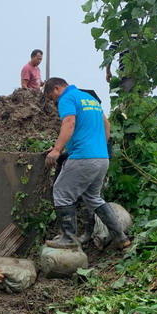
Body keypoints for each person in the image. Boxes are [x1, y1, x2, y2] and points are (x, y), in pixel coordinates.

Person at [43, 77, 130, 250]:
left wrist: (56, 149)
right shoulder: (89, 99)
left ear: (56, 89)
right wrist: (99, 148)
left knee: (61, 191)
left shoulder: (67, 98)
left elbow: (69, 122)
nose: (54, 102)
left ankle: (68, 238)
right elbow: (107, 125)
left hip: (83, 156)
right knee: (93, 197)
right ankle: (120, 237)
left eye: (51, 98)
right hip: (101, 157)